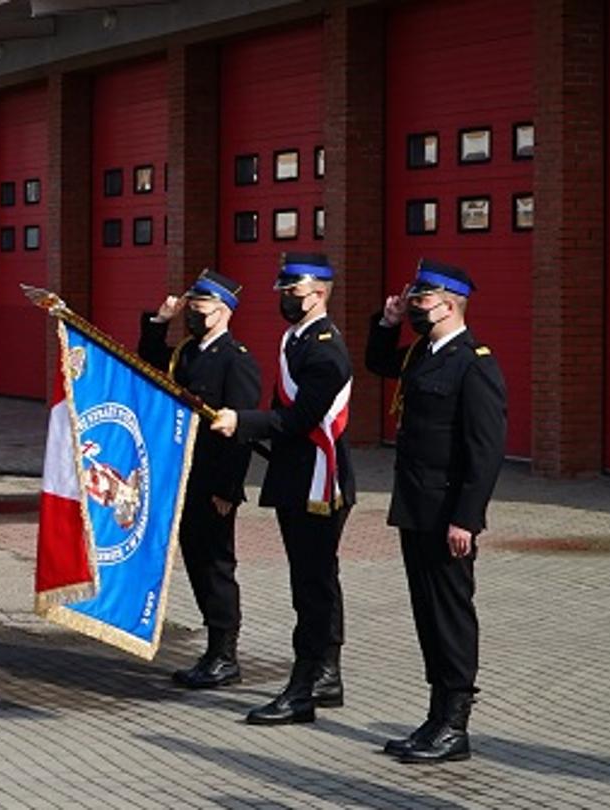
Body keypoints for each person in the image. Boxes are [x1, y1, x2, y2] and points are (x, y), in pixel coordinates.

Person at [365, 259, 507, 764]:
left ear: (448, 305)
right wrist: (387, 321)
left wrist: (467, 517)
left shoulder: (474, 363)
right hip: (416, 507)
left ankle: (455, 724)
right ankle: (435, 715)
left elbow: (485, 451)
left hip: (448, 513)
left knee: (450, 615)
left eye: (421, 301)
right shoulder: (423, 354)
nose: (413, 308)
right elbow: (377, 362)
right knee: (427, 613)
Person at [210, 252, 355, 725]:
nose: (286, 299)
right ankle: (323, 675)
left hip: (319, 480)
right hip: (296, 477)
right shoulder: (297, 339)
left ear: (318, 294)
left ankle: (305, 685)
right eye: (284, 292)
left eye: (293, 292)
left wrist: (243, 422)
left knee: (313, 586)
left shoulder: (325, 349)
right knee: (312, 580)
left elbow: (299, 419)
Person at [138, 269, 263, 689]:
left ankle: (225, 654)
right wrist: (160, 321)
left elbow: (241, 431)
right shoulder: (188, 352)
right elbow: (149, 364)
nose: (193, 311)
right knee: (196, 560)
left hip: (213, 483)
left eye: (201, 304)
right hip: (183, 476)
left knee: (215, 566)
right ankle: (212, 651)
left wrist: (229, 489)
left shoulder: (236, 359)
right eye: (190, 304)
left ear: (224, 310)